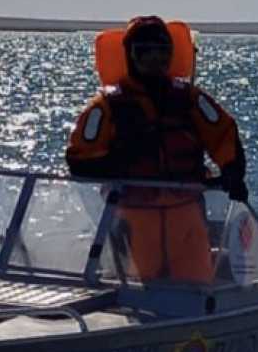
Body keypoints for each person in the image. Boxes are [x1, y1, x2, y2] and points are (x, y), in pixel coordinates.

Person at [66, 15, 248, 283]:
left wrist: (233, 172)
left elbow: (223, 135)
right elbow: (79, 160)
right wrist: (123, 163)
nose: (155, 59)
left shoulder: (191, 100)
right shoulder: (106, 107)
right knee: (137, 292)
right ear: (130, 56)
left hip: (186, 214)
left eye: (162, 51)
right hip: (133, 217)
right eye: (145, 52)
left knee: (197, 288)